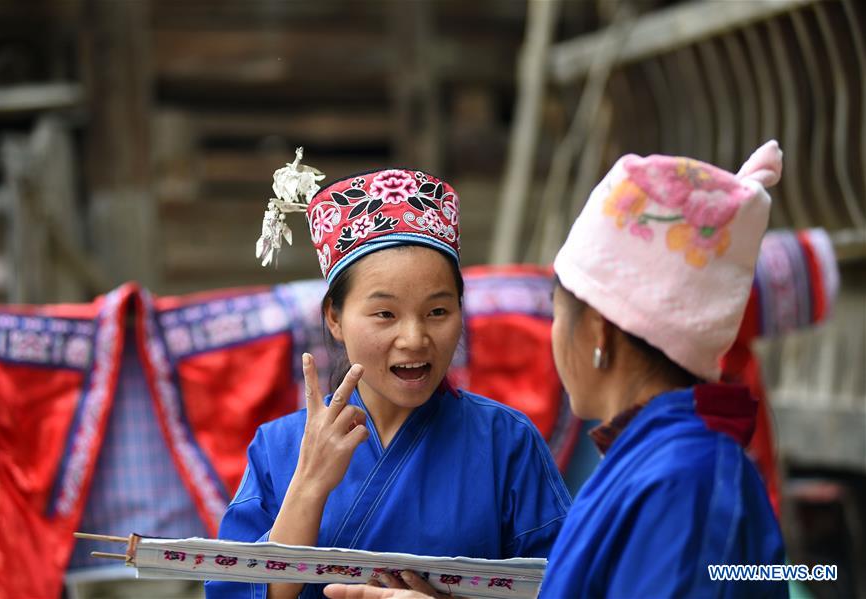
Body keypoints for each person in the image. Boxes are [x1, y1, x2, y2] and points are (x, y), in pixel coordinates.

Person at [324, 141, 789, 599]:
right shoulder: (660, 467)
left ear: (599, 330)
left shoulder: (684, 483)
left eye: (557, 309)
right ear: (335, 318)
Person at [205, 151, 572, 599]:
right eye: (385, 314)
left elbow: (568, 586)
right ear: (334, 318)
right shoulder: (278, 448)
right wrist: (309, 486)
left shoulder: (505, 442)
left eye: (438, 312)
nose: (415, 339)